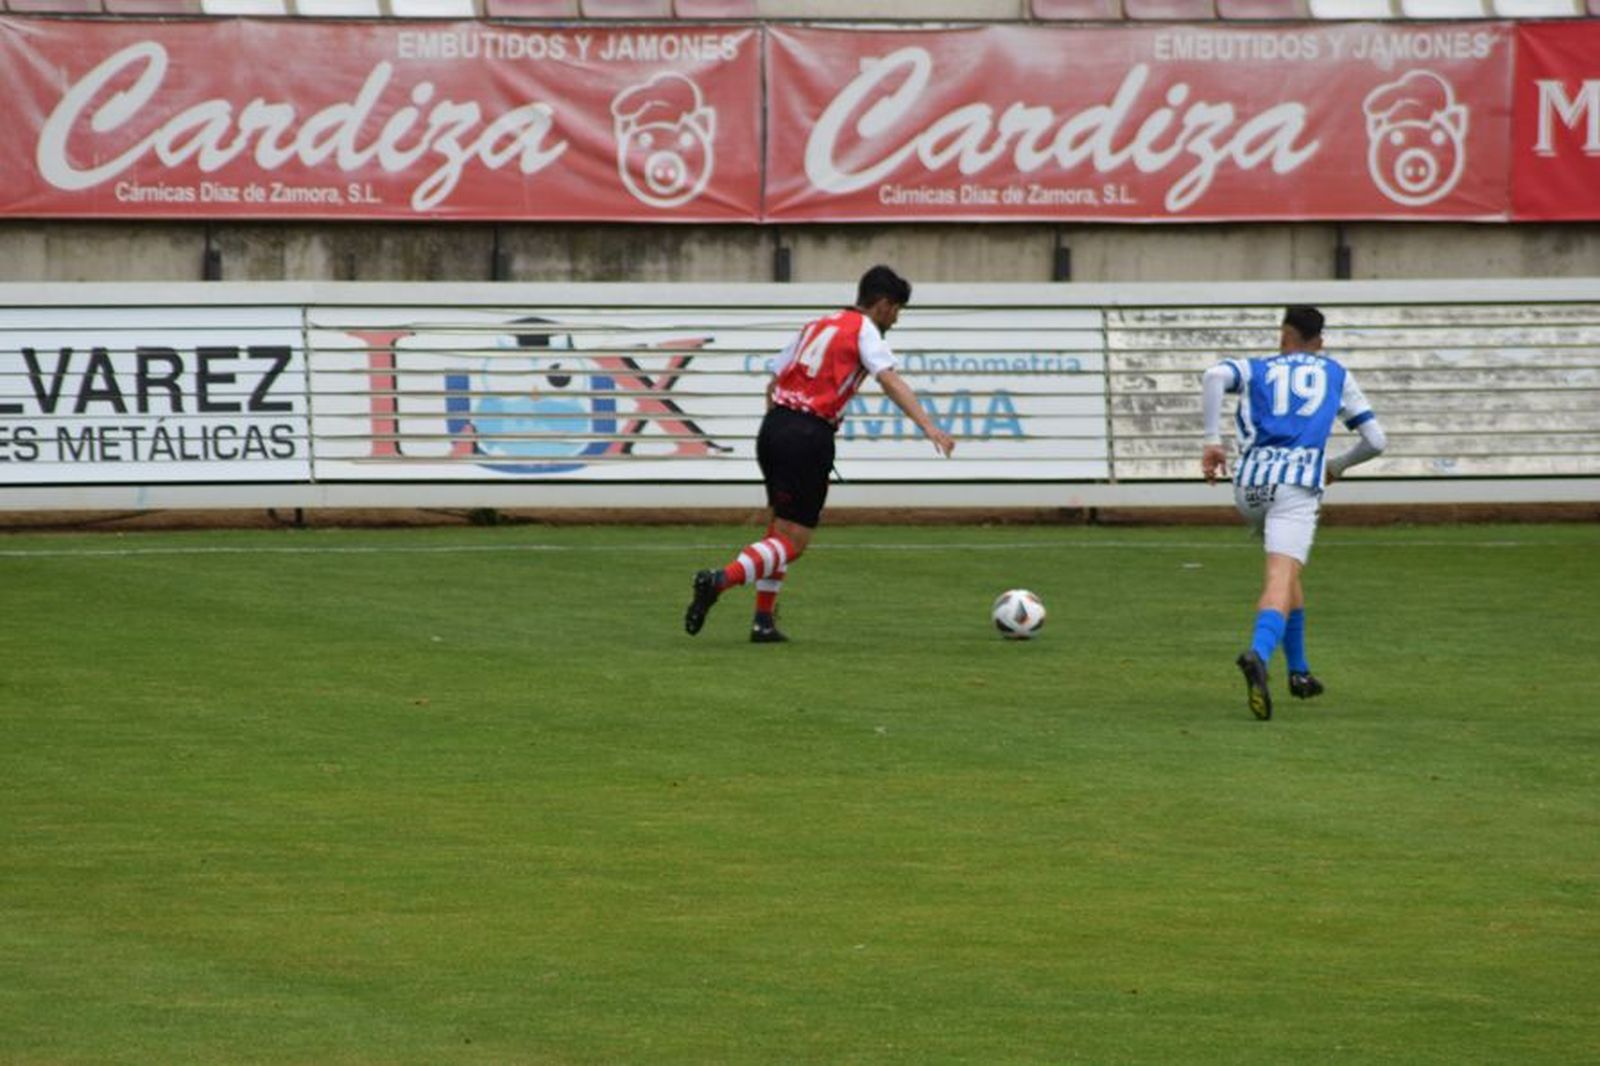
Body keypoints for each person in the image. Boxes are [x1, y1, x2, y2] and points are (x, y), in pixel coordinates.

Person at [685, 265, 956, 642]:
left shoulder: (817, 324)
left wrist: (780, 430)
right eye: (896, 309)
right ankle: (719, 580)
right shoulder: (865, 329)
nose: (896, 318)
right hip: (808, 432)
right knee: (794, 541)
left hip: (774, 426)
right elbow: (889, 379)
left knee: (778, 529)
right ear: (880, 305)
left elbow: (774, 381)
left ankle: (763, 622)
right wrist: (929, 426)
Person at [1201, 305, 1388, 720]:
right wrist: (1335, 468)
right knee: (1280, 576)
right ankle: (1259, 654)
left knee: (1289, 574)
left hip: (1248, 487)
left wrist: (1211, 441)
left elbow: (1214, 376)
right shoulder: (1335, 373)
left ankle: (1299, 672)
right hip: (1295, 487)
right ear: (1318, 343)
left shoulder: (1258, 368)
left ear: (1283, 336)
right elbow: (1376, 440)